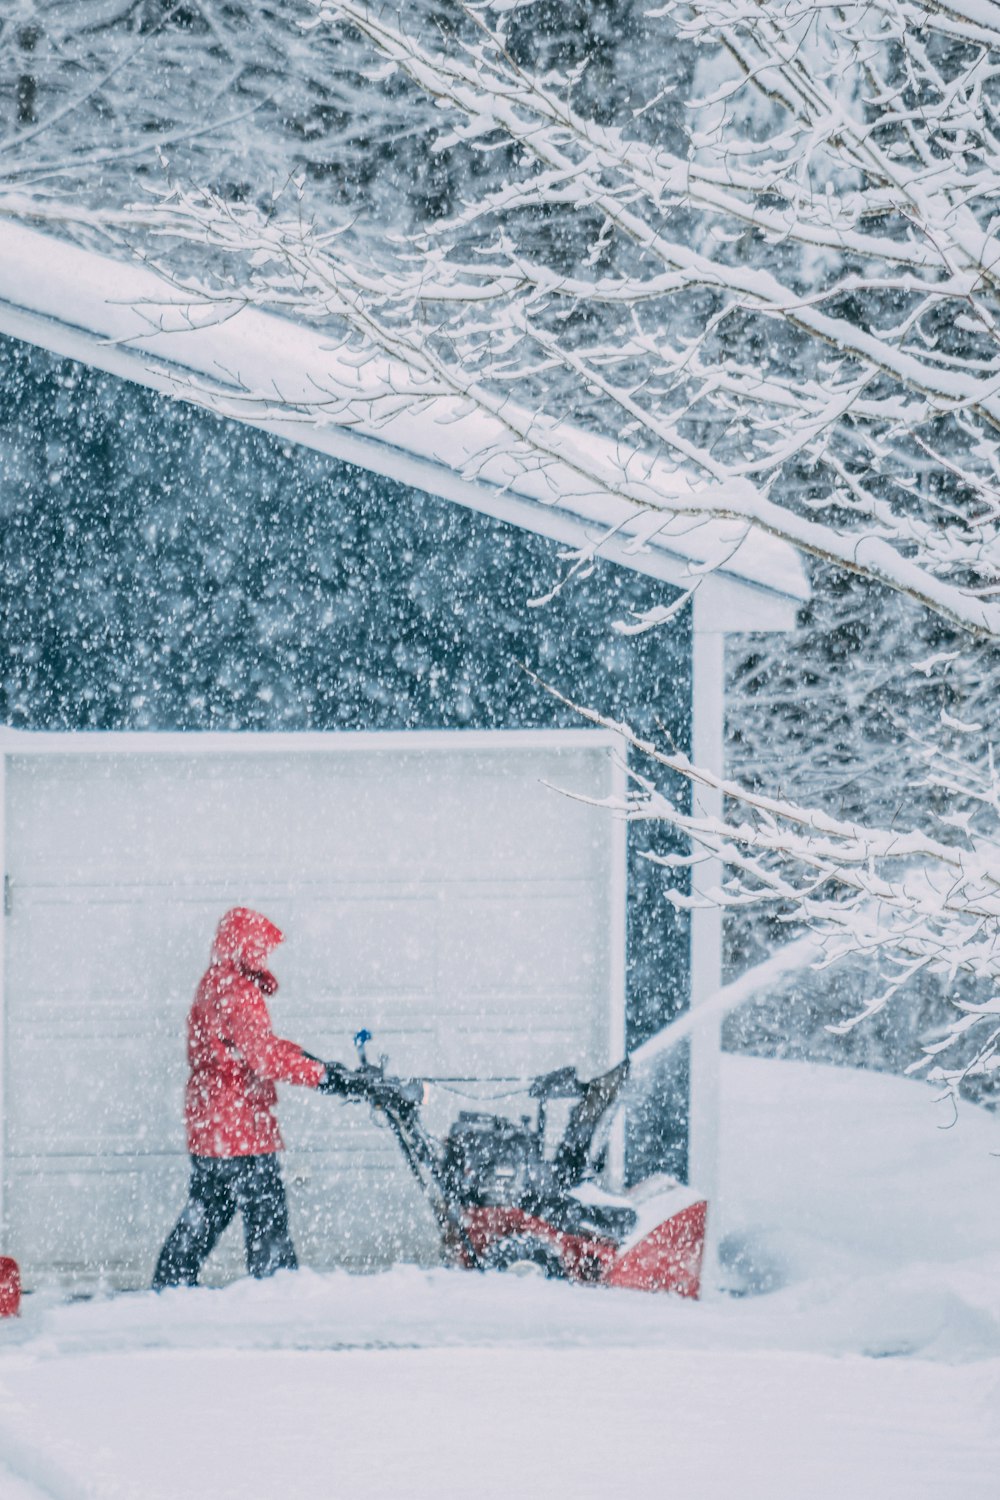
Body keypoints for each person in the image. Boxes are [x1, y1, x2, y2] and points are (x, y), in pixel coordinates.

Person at [153, 906, 345, 1288]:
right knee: (266, 1214)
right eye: (260, 948)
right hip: (240, 1127)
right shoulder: (240, 992)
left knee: (207, 1208)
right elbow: (263, 1058)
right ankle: (277, 1290)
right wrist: (322, 1077)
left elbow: (252, 1045)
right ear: (246, 946)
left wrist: (307, 1057)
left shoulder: (214, 983)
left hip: (211, 1123)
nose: (265, 957)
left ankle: (169, 1284)